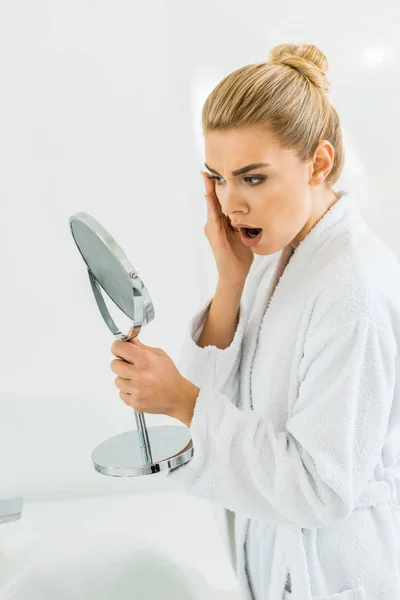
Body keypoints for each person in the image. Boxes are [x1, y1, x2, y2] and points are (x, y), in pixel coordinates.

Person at [166, 43, 400, 600]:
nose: (229, 204)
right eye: (217, 178)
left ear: (319, 163)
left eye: (253, 178)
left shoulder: (352, 292)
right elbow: (242, 403)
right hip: (276, 564)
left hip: (337, 573)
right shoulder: (283, 258)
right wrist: (230, 281)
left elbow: (320, 487)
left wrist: (183, 401)